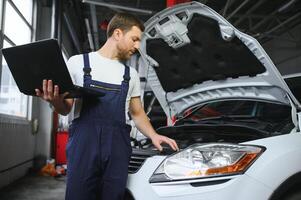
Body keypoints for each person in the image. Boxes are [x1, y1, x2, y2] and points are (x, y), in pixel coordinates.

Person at [35, 13, 179, 200]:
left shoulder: (131, 74)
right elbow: (66, 108)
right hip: (84, 144)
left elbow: (137, 113)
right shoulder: (78, 63)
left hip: (117, 146)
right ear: (118, 33)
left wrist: (154, 135)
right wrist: (55, 102)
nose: (137, 46)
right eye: (134, 39)